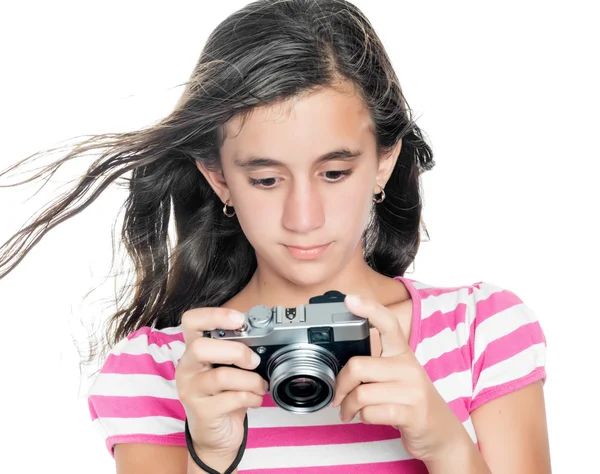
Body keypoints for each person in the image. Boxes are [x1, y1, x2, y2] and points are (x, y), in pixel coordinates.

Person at [0, 0, 551, 472]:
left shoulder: (480, 332)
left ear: (384, 162)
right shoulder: (159, 372)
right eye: (265, 179)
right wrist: (209, 454)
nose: (303, 217)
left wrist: (446, 444)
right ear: (219, 178)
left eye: (334, 173)